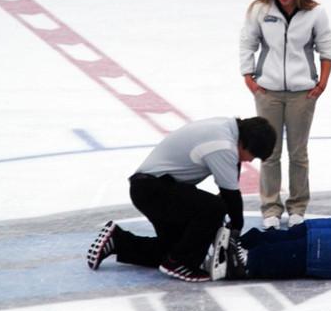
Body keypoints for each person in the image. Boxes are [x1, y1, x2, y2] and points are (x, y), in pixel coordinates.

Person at [86, 117, 275, 282]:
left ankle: (118, 241)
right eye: (254, 156)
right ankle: (181, 263)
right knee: (214, 208)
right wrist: (235, 235)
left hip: (153, 189)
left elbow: (229, 190)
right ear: (244, 143)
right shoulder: (223, 146)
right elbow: (230, 196)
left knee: (174, 247)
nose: (250, 161)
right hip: (153, 190)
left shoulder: (227, 128)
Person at [239, 0, 331, 229]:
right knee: (269, 152)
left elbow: (326, 48)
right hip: (267, 91)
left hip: (302, 93)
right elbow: (248, 42)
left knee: (298, 153)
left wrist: (321, 83)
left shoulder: (315, 13)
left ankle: (297, 206)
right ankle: (270, 208)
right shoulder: (260, 10)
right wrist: (249, 76)